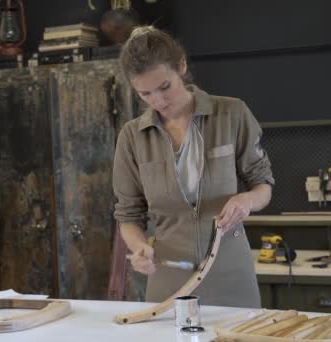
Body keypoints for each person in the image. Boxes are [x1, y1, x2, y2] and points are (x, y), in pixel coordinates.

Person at [112, 26, 274, 308]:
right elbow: (128, 216)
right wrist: (139, 248)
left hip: (231, 276)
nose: (159, 101)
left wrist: (246, 199)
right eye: (145, 94)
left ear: (182, 66)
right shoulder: (131, 136)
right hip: (168, 279)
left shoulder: (232, 114)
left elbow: (263, 185)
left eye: (165, 87)